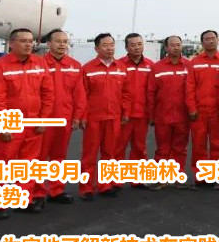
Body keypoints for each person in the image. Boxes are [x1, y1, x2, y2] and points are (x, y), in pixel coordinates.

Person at [0, 29, 54, 219]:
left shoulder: (39, 63)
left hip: (33, 123)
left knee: (28, 164)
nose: (28, 44)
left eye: (31, 41)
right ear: (11, 43)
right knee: (2, 164)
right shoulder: (0, 66)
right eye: (23, 41)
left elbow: (48, 93)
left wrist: (43, 119)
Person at [79, 33, 131, 201]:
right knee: (90, 154)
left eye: (111, 45)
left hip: (114, 117)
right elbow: (82, 95)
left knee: (110, 153)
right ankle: (86, 188)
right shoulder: (87, 69)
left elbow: (126, 93)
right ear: (96, 48)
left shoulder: (121, 68)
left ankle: (105, 185)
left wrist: (125, 112)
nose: (109, 48)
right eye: (105, 45)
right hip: (93, 118)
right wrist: (82, 116)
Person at [40, 29, 85, 204]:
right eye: (58, 41)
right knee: (39, 157)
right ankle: (37, 192)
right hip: (44, 118)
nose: (62, 45)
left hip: (65, 117)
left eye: (65, 41)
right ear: (48, 44)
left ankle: (56, 190)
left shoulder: (74, 65)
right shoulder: (39, 64)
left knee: (59, 156)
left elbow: (79, 93)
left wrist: (78, 116)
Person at [187, 30, 219, 188]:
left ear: (218, 40)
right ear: (202, 43)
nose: (210, 41)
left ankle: (214, 176)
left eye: (213, 38)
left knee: (217, 145)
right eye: (207, 39)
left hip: (218, 111)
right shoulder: (195, 62)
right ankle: (200, 176)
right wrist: (192, 108)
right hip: (199, 111)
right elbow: (189, 87)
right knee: (199, 145)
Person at [152, 36, 192, 189]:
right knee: (162, 148)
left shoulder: (189, 66)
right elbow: (151, 93)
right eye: (172, 45)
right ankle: (161, 178)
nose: (176, 47)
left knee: (180, 147)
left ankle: (177, 176)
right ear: (166, 48)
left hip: (183, 115)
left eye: (178, 44)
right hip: (163, 115)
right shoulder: (157, 67)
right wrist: (151, 115)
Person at [116, 34, 153, 184]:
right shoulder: (119, 65)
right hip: (123, 115)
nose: (137, 47)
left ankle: (137, 180)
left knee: (140, 148)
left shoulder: (150, 66)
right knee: (118, 148)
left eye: (139, 44)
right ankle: (115, 181)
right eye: (133, 45)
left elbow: (152, 91)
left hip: (142, 114)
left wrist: (151, 113)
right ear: (126, 47)